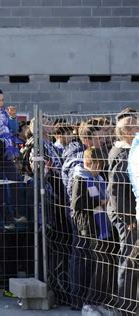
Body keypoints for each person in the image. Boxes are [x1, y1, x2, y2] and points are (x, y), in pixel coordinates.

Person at [70, 147, 111, 312]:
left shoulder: (98, 178)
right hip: (86, 227)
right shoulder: (81, 179)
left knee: (94, 262)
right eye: (99, 165)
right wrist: (99, 203)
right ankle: (78, 299)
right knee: (84, 263)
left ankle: (90, 299)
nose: (100, 169)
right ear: (91, 163)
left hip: (96, 225)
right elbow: (77, 204)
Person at [108, 113, 139, 314]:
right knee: (128, 258)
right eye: (136, 126)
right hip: (127, 217)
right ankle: (126, 306)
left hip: (129, 214)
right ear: (128, 132)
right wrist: (127, 217)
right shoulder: (122, 153)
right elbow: (117, 189)